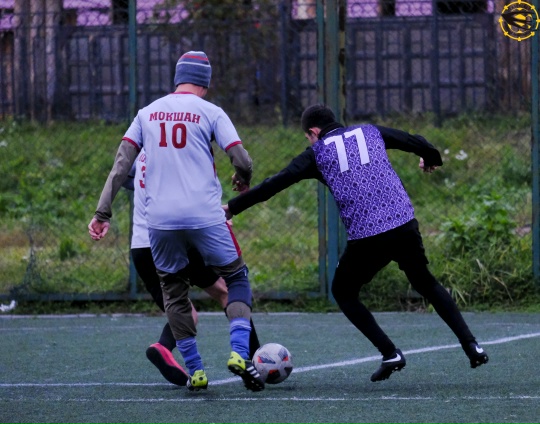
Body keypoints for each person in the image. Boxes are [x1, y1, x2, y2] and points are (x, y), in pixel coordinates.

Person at [223, 103, 489, 382]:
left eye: (308, 137)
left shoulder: (317, 152)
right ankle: (472, 345)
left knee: (343, 292)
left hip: (368, 237)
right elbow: (413, 141)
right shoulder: (370, 132)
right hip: (404, 224)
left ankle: (390, 352)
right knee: (426, 282)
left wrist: (232, 208)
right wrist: (431, 157)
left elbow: (274, 184)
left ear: (313, 132)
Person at [88, 50, 265, 392]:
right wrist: (243, 179)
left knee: (174, 292)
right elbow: (241, 158)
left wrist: (102, 213)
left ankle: (196, 371)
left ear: (177, 79)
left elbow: (121, 165)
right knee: (235, 278)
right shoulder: (211, 111)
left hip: (159, 222)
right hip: (204, 216)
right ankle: (240, 353)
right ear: (205, 84)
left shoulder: (146, 113)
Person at [122, 149, 260, 387]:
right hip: (174, 237)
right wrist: (215, 219)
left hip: (141, 247)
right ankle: (252, 358)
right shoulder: (181, 147)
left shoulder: (143, 150)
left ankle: (163, 347)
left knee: (186, 312)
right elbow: (194, 191)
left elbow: (123, 174)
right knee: (226, 290)